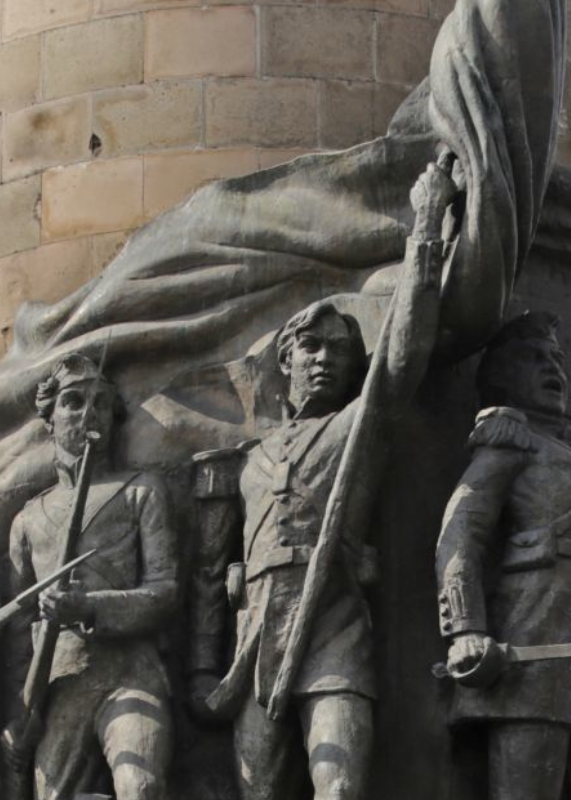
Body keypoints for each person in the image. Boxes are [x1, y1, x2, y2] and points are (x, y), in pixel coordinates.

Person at [187, 161, 457, 800]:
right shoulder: (249, 461)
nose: (326, 361)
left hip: (333, 619)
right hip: (255, 636)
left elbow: (401, 357)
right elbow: (207, 569)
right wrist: (204, 664)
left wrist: (424, 227)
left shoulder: (353, 429)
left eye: (339, 351)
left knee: (338, 786)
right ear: (285, 363)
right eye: (311, 349)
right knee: (257, 788)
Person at [434, 311, 571, 799]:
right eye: (534, 358)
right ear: (499, 375)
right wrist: (466, 631)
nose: (552, 370)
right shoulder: (507, 440)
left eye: (557, 360)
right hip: (528, 663)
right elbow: (460, 537)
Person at [2, 355, 178, 800]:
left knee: (140, 785)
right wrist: (18, 710)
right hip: (60, 685)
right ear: (51, 418)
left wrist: (92, 605)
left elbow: (163, 592)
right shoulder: (28, 520)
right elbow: (20, 631)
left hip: (130, 672)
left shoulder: (142, 490)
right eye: (73, 402)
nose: (88, 413)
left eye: (101, 403)